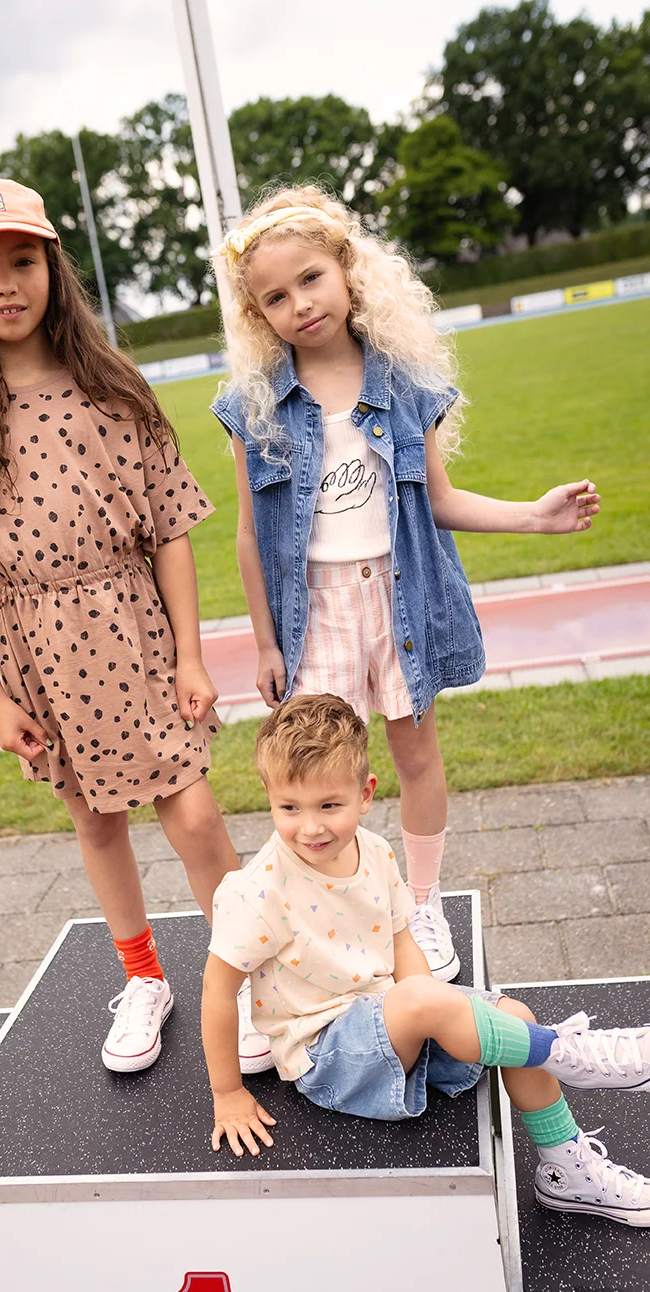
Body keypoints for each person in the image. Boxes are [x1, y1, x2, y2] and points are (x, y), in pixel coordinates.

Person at [0, 176, 270, 1076]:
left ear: (53, 267)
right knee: (96, 820)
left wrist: (190, 655)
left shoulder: (114, 388)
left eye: (22, 261)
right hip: (37, 649)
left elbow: (171, 530)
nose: (5, 284)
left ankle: (245, 977)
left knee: (194, 815)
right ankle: (143, 977)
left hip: (134, 630)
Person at [209, 185, 601, 983]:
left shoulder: (402, 384)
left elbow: (441, 500)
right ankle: (331, 917)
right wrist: (264, 642)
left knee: (415, 755)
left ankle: (420, 905)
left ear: (346, 269)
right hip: (313, 613)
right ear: (258, 314)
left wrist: (535, 516)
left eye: (311, 278)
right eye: (275, 297)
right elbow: (250, 534)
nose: (299, 304)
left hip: (399, 600)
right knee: (316, 773)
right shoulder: (255, 406)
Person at [202, 694, 650, 1226]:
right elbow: (216, 991)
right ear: (269, 798)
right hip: (325, 1055)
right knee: (428, 1001)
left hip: (393, 1020)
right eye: (290, 808)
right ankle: (569, 1052)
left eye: (329, 806)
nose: (311, 827)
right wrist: (227, 1092)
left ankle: (566, 1172)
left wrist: (435, 1009)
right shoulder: (257, 891)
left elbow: (401, 942)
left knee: (515, 1016)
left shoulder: (375, 852)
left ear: (365, 794)